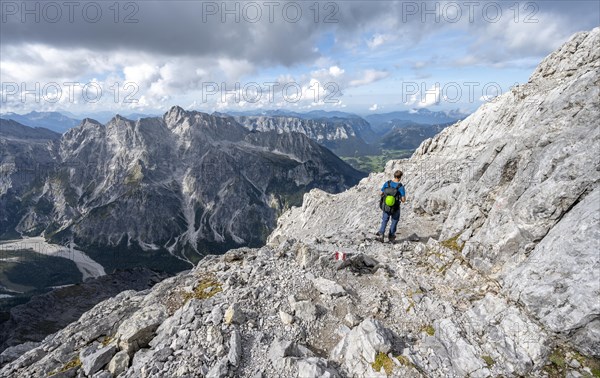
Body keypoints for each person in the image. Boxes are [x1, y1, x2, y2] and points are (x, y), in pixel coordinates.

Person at [376, 170, 406, 242]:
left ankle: (381, 234)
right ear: (400, 177)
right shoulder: (400, 186)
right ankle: (391, 236)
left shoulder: (387, 183)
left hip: (386, 206)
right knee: (394, 220)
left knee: (385, 220)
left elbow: (381, 193)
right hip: (395, 207)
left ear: (394, 176)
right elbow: (403, 200)